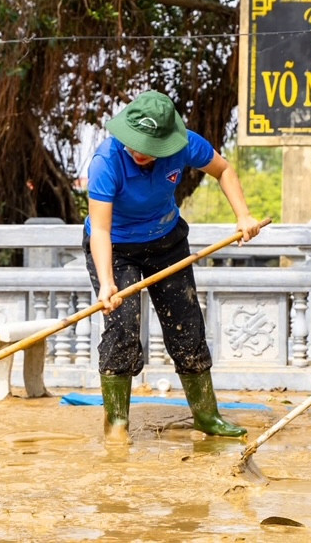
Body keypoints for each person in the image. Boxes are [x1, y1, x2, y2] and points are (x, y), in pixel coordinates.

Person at [84, 91, 262, 442]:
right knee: (122, 328)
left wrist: (243, 216)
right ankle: (117, 424)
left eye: (150, 146)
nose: (140, 151)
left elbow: (223, 170)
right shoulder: (106, 160)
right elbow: (100, 230)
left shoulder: (184, 145)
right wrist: (107, 283)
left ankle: (207, 415)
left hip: (167, 241)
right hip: (115, 249)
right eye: (136, 143)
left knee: (187, 327)